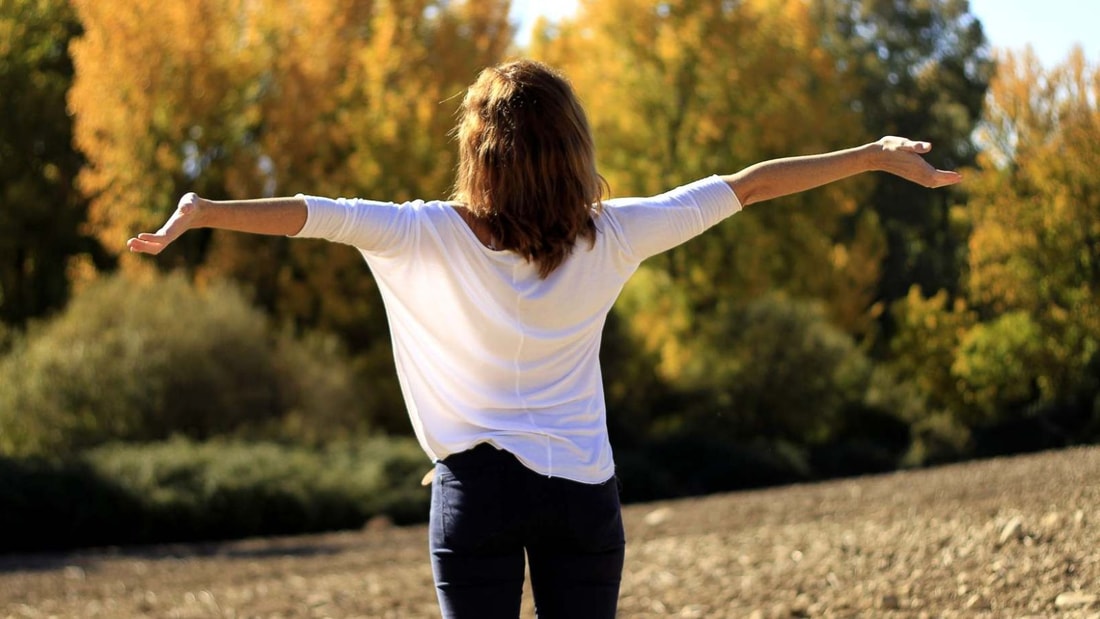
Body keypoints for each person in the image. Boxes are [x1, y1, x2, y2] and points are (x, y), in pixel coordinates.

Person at [128, 59, 961, 618]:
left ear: (477, 152)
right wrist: (875, 156)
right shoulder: (617, 233)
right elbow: (747, 187)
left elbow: (310, 215)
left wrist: (203, 214)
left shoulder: (422, 233)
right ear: (573, 150)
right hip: (582, 495)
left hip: (476, 494)